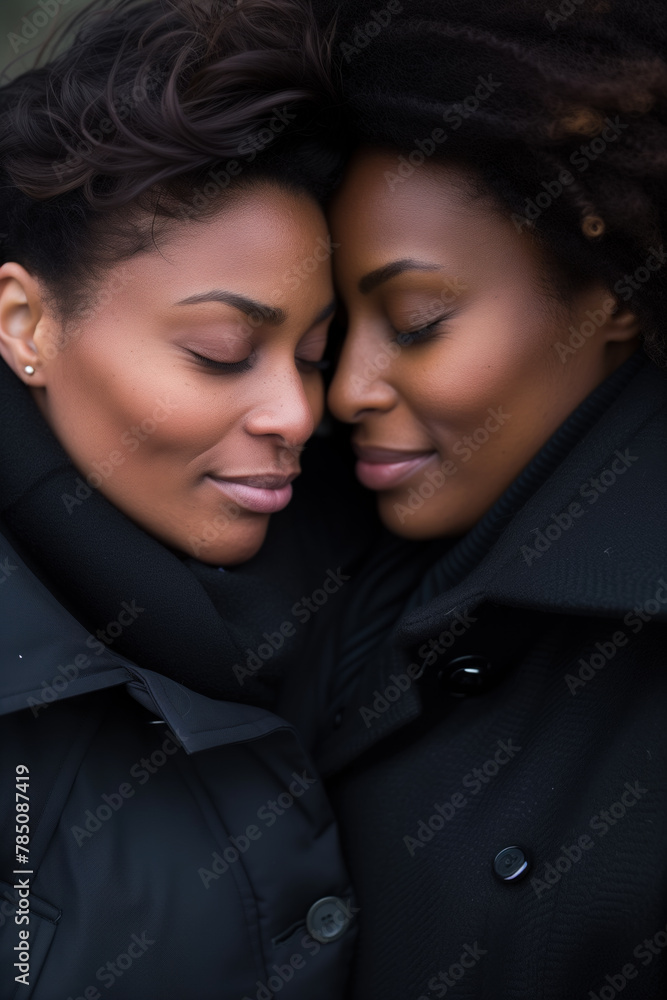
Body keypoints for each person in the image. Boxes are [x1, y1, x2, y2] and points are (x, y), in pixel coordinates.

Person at [0, 1, 372, 996]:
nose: (296, 411)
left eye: (313, 354)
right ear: (25, 322)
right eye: (219, 354)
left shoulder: (387, 589)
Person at [298, 1, 667, 997]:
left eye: (416, 321)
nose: (346, 390)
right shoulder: (303, 550)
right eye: (336, 328)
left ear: (613, 293)